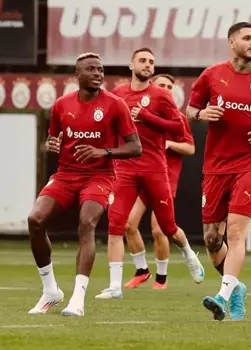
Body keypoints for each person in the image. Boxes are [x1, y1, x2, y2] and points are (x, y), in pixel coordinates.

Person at [185, 21, 251, 321]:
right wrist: (202, 113)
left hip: (250, 164)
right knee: (210, 239)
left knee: (235, 232)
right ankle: (237, 288)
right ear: (231, 41)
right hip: (216, 167)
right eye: (247, 37)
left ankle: (222, 295)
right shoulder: (212, 75)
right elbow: (189, 111)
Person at [27, 53, 142, 316]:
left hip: (99, 176)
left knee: (87, 222)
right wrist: (50, 144)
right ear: (77, 75)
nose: (98, 73)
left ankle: (77, 299)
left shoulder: (115, 105)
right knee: (35, 219)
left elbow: (136, 147)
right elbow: (52, 139)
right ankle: (50, 291)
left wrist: (105, 152)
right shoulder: (61, 105)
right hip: (66, 174)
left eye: (100, 69)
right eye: (90, 69)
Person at [96, 48, 205, 299]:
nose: (147, 65)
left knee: (166, 227)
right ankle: (115, 285)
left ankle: (189, 254)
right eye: (143, 61)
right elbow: (108, 124)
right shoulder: (119, 94)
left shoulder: (161, 96)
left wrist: (146, 116)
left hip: (155, 168)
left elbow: (178, 126)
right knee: (117, 223)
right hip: (126, 168)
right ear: (131, 64)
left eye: (151, 62)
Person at [124, 74, 196, 290]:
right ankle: (141, 270)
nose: (165, 89)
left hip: (165, 178)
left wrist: (170, 144)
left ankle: (162, 278)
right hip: (143, 174)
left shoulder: (177, 118)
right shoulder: (140, 116)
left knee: (159, 229)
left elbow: (190, 148)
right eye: (161, 85)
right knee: (129, 224)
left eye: (169, 86)